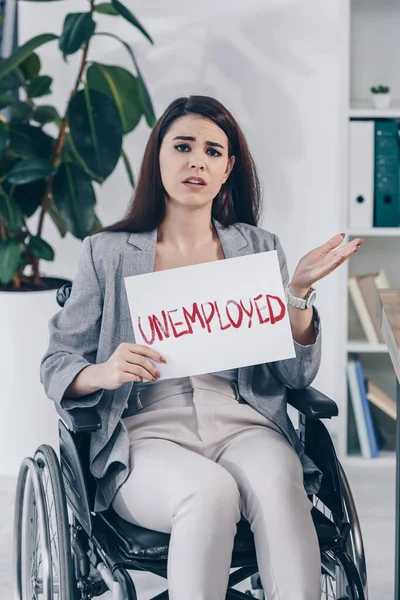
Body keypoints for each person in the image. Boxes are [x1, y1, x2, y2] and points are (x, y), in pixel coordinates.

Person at [40, 95, 362, 600]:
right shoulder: (106, 253)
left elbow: (295, 375)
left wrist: (295, 294)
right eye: (183, 147)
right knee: (209, 492)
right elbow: (58, 363)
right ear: (159, 157)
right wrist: (104, 371)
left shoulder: (257, 248)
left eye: (213, 151)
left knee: (281, 485)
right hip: (146, 433)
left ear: (228, 168)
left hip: (244, 421)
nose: (197, 161)